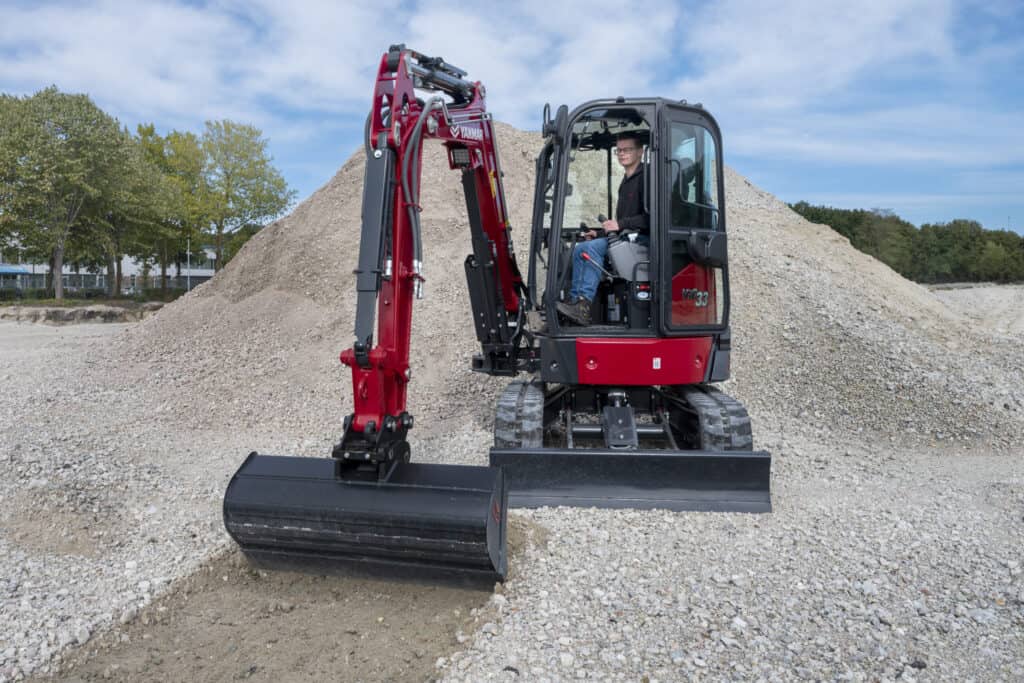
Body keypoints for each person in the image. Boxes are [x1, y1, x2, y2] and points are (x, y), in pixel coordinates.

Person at [557, 131, 649, 326]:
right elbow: (623, 222)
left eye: (627, 150)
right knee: (581, 248)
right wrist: (598, 233)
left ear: (640, 151)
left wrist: (620, 224)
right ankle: (576, 302)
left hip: (643, 240)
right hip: (627, 236)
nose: (622, 154)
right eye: (619, 150)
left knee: (589, 250)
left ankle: (583, 306)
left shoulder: (648, 178)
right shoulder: (626, 182)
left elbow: (650, 218)